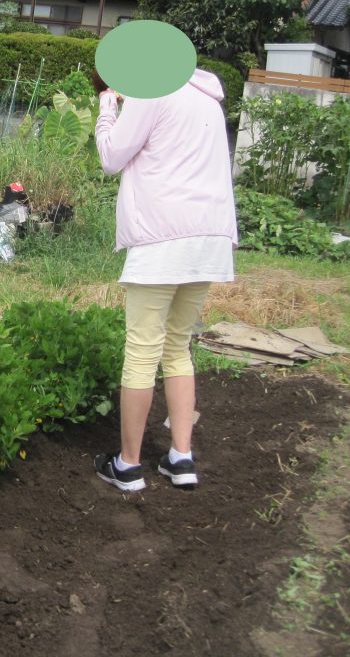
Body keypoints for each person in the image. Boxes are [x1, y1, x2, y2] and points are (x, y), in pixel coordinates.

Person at [91, 69, 237, 492]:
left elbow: (111, 156)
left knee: (141, 352)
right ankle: (181, 458)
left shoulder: (153, 91)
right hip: (209, 239)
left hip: (162, 240)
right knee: (178, 347)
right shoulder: (209, 97)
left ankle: (129, 465)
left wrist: (107, 106)